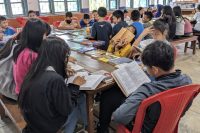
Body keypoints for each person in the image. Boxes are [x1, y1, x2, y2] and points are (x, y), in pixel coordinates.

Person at [112, 41, 192, 132]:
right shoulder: (187, 80)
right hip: (169, 124)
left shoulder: (147, 90)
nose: (145, 69)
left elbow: (119, 117)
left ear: (155, 69)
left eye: (146, 67)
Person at [18, 36, 86, 133]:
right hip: (46, 125)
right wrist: (75, 85)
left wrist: (62, 72)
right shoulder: (55, 80)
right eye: (65, 57)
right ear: (58, 57)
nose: (66, 60)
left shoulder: (35, 68)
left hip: (32, 120)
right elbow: (67, 109)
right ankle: (87, 125)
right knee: (76, 106)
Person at [13, 18, 47, 95]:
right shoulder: (31, 55)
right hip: (29, 93)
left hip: (22, 89)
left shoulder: (21, 48)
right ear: (37, 36)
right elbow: (43, 76)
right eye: (44, 34)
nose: (46, 37)